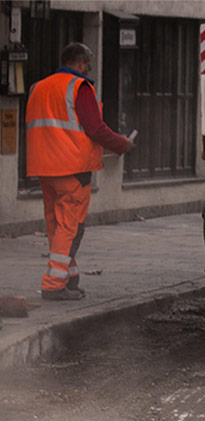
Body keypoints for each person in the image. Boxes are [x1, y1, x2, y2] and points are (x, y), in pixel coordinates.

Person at [26, 42, 134, 301]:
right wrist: (122, 144)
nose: (88, 70)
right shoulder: (79, 87)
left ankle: (69, 277)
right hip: (73, 168)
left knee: (56, 225)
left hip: (44, 167)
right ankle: (53, 284)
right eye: (87, 65)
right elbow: (95, 129)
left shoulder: (38, 87)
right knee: (71, 228)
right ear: (80, 63)